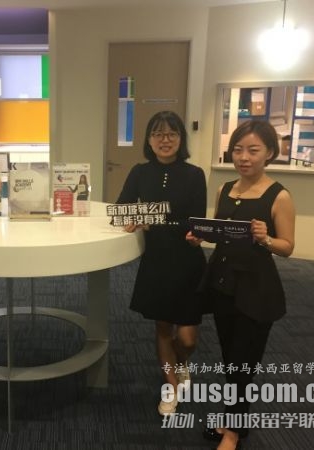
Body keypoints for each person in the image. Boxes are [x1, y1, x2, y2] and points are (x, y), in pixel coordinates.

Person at [189, 120, 295, 450]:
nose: (244, 157)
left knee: (243, 362)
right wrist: (200, 237)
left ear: (270, 153)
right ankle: (236, 420)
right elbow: (223, 234)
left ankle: (233, 432)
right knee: (231, 359)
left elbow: (288, 247)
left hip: (256, 291)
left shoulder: (279, 196)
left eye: (253, 150)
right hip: (223, 285)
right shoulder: (225, 189)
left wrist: (266, 239)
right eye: (237, 150)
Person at [116, 111, 207, 415]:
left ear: (181, 138)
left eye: (171, 134)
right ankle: (170, 386)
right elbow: (122, 207)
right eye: (157, 134)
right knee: (163, 328)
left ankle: (182, 361)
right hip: (156, 261)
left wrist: (154, 221)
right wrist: (133, 218)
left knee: (188, 338)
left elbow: (195, 220)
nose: (164, 140)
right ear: (149, 140)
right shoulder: (140, 172)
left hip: (188, 261)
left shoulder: (194, 175)